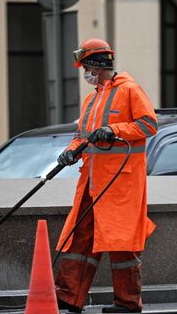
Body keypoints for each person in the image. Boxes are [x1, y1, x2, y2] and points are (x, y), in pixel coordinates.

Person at [55, 38, 158, 313]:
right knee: (79, 238)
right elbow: (82, 136)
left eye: (86, 67)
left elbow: (149, 124)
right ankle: (69, 296)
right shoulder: (92, 98)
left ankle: (127, 303)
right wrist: (70, 151)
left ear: (98, 65)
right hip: (91, 183)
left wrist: (115, 130)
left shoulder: (130, 90)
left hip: (120, 185)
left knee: (122, 244)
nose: (85, 73)